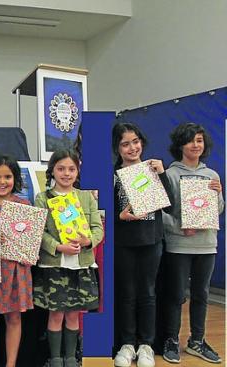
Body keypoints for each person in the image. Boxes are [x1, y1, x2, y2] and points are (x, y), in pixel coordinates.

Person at [111, 122, 174, 367]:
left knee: (148, 293)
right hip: (124, 242)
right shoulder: (113, 175)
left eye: (135, 141)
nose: (132, 147)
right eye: (125, 143)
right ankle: (127, 344)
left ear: (142, 142)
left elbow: (171, 207)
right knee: (126, 293)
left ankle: (146, 344)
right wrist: (120, 217)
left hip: (151, 240)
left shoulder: (152, 169)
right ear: (117, 148)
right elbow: (104, 211)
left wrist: (162, 174)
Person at [33, 149, 103, 367]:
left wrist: (88, 241)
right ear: (52, 170)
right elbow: (39, 231)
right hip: (54, 265)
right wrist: (58, 246)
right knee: (55, 315)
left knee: (73, 315)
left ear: (78, 170)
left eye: (71, 169)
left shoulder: (85, 196)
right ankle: (55, 359)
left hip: (81, 265)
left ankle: (71, 358)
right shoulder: (42, 198)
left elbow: (97, 228)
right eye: (61, 168)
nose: (66, 173)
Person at [161, 123, 224, 364]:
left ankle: (197, 340)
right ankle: (171, 340)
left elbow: (217, 209)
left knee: (202, 294)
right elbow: (161, 213)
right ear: (180, 145)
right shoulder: (170, 174)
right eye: (190, 141)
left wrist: (218, 194)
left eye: (199, 140)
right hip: (179, 245)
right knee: (176, 295)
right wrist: (179, 228)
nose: (195, 145)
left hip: (207, 244)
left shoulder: (212, 175)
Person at [0, 154, 33, 367]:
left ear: (16, 178)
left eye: (8, 177)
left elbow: (31, 239)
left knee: (14, 318)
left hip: (18, 269)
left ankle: (11, 364)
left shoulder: (25, 204)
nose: (2, 182)